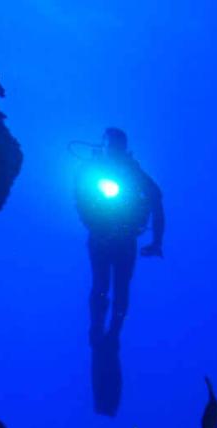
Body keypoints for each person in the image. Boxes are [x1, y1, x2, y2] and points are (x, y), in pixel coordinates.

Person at [76, 128, 164, 346]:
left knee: (121, 288)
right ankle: (96, 328)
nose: (114, 151)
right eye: (111, 146)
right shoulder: (91, 169)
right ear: (105, 146)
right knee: (101, 285)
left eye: (118, 147)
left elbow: (156, 198)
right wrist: (94, 225)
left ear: (124, 149)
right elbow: (80, 200)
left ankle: (115, 331)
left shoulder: (133, 171)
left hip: (125, 238)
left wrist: (157, 241)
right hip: (100, 237)